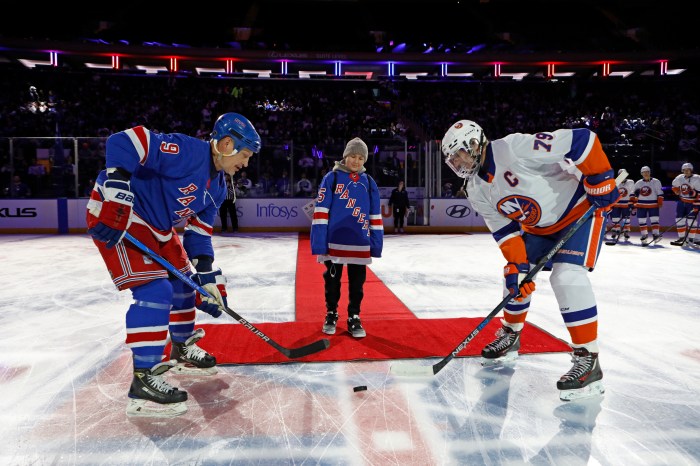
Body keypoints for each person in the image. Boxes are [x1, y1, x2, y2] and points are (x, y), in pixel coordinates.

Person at [86, 112, 261, 417]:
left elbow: (199, 234)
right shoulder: (188, 151)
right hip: (124, 215)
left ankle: (181, 347)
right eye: (245, 154)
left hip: (159, 227)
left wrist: (207, 280)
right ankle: (144, 378)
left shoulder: (219, 187)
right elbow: (126, 140)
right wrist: (117, 185)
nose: (246, 163)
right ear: (227, 143)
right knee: (155, 291)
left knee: (183, 284)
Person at [441, 120, 620, 401]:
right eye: (454, 158)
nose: (459, 161)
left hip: (579, 211)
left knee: (566, 276)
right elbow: (505, 231)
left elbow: (582, 140)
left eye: (461, 153)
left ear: (475, 144)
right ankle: (511, 335)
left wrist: (600, 178)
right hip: (539, 229)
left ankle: (589, 358)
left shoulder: (514, 148)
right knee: (514, 277)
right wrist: (516, 265)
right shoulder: (475, 189)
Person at [310, 137, 383, 338]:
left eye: (361, 158)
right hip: (334, 243)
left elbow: (375, 215)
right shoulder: (331, 178)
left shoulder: (368, 182)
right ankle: (331, 313)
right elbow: (321, 211)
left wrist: (375, 245)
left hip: (359, 243)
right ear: (345, 156)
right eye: (353, 156)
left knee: (357, 283)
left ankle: (354, 316)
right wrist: (320, 243)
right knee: (332, 282)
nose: (356, 161)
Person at [631, 166, 664, 244]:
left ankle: (656, 235)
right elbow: (633, 194)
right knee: (641, 220)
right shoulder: (638, 183)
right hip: (641, 204)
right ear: (641, 173)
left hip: (653, 204)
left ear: (650, 172)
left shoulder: (656, 181)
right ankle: (644, 235)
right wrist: (633, 203)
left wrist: (660, 202)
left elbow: (660, 193)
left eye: (647, 172)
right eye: (644, 172)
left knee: (654, 220)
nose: (646, 173)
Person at [670, 163, 700, 246]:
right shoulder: (680, 177)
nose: (686, 171)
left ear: (691, 170)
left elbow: (699, 193)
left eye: (688, 170)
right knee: (679, 220)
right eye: (684, 170)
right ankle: (681, 238)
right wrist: (676, 190)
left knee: (692, 221)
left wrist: (697, 205)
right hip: (681, 202)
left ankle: (691, 239)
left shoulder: (697, 178)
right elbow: (674, 185)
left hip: (692, 203)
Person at [606, 168, 635, 241]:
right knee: (615, 219)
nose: (622, 176)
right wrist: (611, 204)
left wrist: (632, 203)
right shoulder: (615, 182)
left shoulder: (631, 182)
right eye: (620, 175)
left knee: (626, 219)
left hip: (626, 204)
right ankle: (616, 230)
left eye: (624, 174)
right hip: (616, 204)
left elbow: (632, 193)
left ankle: (626, 232)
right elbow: (612, 193)